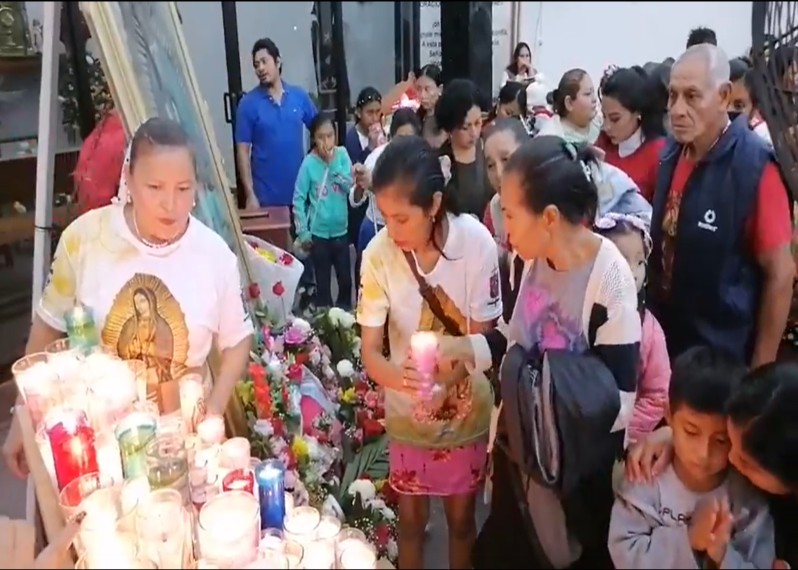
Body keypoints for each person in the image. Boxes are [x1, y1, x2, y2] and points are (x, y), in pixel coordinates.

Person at [2, 118, 254, 478]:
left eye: (183, 188)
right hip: (101, 447)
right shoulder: (86, 240)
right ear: (129, 179)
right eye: (155, 187)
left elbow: (238, 339)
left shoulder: (214, 256)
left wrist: (212, 410)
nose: (170, 203)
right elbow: (47, 327)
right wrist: (21, 418)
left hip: (184, 441)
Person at [433, 136, 641, 568]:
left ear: (548, 217)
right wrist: (461, 349)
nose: (504, 228)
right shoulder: (528, 260)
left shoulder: (610, 279)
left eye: (509, 214)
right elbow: (514, 338)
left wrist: (546, 398)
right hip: (520, 462)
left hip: (571, 483)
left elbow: (620, 402)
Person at [357, 135, 501, 569]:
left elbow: (483, 342)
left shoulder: (475, 244)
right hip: (407, 411)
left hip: (465, 407)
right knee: (411, 519)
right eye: (384, 217)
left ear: (435, 203)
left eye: (402, 218)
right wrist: (404, 382)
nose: (391, 231)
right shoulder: (378, 256)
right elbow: (371, 353)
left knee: (461, 520)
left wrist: (446, 383)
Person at [648, 44, 795, 367]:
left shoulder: (755, 168)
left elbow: (781, 276)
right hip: (670, 343)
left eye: (692, 96)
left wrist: (760, 372)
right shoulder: (671, 153)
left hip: (722, 357)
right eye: (672, 96)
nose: (677, 109)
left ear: (724, 96)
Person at [608, 346, 774, 569]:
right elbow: (623, 554)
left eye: (721, 440)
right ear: (668, 414)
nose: (704, 452)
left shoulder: (746, 495)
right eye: (691, 432)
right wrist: (688, 539)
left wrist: (723, 555)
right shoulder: (645, 474)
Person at [595, 213, 670, 442]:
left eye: (640, 261)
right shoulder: (580, 314)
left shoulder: (649, 329)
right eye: (621, 258)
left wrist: (623, 430)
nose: (633, 270)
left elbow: (658, 395)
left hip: (622, 444)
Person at [235, 38, 318, 210]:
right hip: (266, 200)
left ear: (278, 61)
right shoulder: (248, 104)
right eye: (256, 65)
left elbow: (321, 130)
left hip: (300, 197)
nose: (260, 68)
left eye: (264, 62)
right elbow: (242, 151)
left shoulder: (298, 96)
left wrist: (316, 168)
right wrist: (250, 194)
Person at [293, 113, 354, 310]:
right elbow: (299, 199)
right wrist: (303, 232)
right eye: (321, 137)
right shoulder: (308, 164)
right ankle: (325, 322)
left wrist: (333, 165)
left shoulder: (343, 155)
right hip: (318, 235)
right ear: (313, 139)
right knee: (323, 283)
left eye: (330, 135)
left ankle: (345, 318)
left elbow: (349, 185)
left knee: (345, 280)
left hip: (341, 232)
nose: (326, 141)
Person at [350, 108, 422, 254]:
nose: (405, 145)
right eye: (400, 139)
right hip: (375, 228)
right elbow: (354, 200)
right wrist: (360, 184)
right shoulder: (377, 157)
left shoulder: (423, 160)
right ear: (391, 138)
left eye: (410, 139)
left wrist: (374, 185)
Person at [596, 67, 667, 201]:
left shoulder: (659, 153)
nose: (607, 127)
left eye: (615, 119)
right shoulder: (602, 144)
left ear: (638, 112)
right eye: (604, 117)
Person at [436, 78, 493, 218]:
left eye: (478, 123)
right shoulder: (442, 161)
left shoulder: (490, 147)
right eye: (465, 127)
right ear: (450, 128)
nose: (474, 133)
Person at [482, 117, 528, 250]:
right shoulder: (493, 210)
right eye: (490, 165)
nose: (499, 174)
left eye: (506, 159)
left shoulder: (553, 201)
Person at [537, 68, 602, 145]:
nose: (594, 99)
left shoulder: (600, 123)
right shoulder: (550, 138)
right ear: (569, 103)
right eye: (588, 93)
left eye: (593, 92)